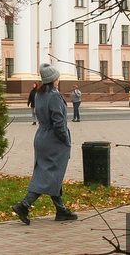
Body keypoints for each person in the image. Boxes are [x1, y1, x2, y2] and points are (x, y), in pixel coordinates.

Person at [12, 63, 78, 225]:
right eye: (57, 76)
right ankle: (24, 205)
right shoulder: (54, 96)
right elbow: (59, 123)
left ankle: (61, 210)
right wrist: (65, 140)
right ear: (54, 79)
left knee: (50, 173)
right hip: (54, 139)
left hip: (41, 136)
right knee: (49, 175)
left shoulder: (39, 94)